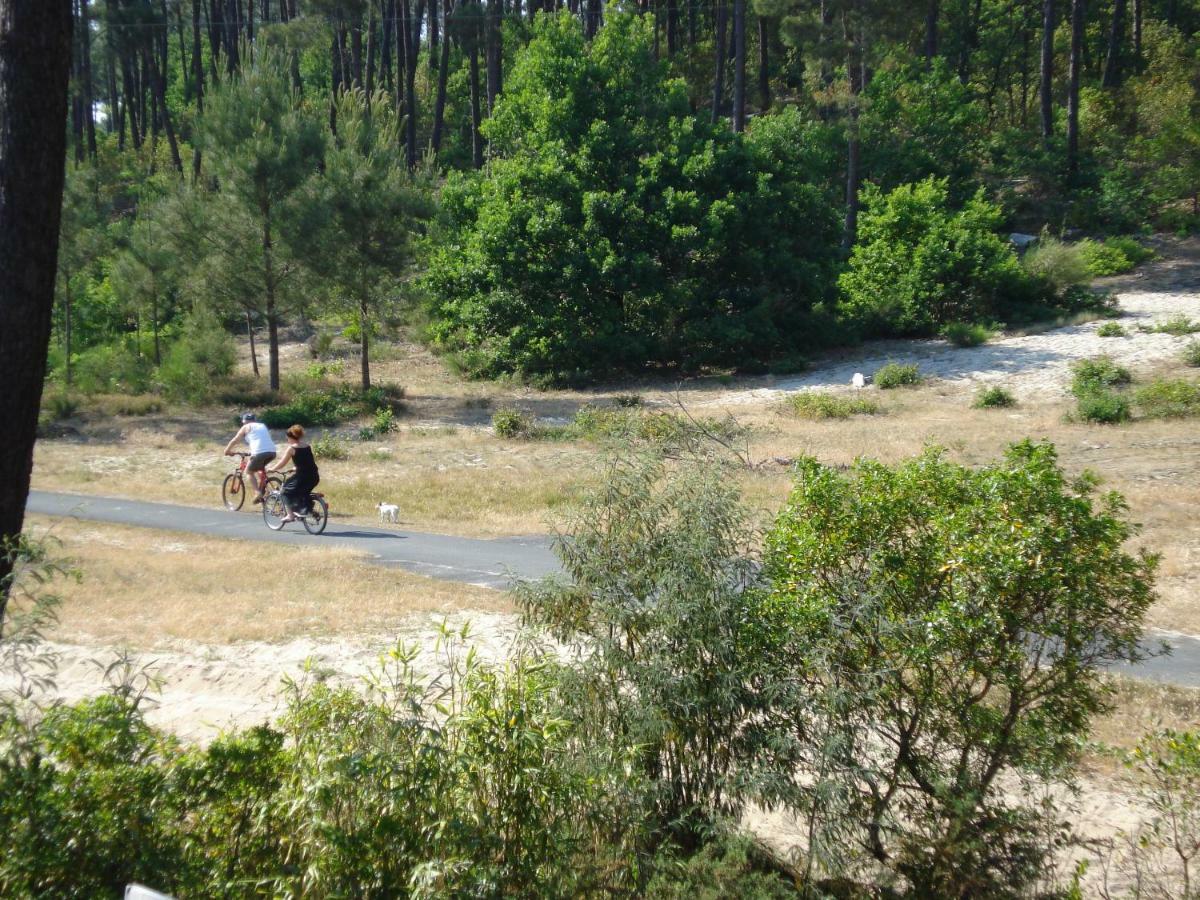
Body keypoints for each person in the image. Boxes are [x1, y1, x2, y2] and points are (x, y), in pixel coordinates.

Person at [268, 424, 320, 523]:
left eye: (287, 438)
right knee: (303, 493)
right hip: (314, 476)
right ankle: (306, 510)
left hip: (302, 477)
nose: (287, 440)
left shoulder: (292, 448)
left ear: (291, 437)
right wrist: (296, 467)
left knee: (284, 491)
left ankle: (290, 515)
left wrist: (272, 469)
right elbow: (307, 461)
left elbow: (282, 463)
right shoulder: (307, 446)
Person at [224, 412, 277, 503]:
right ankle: (267, 491)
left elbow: (235, 440)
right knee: (258, 468)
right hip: (272, 452)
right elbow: (261, 440)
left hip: (259, 453)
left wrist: (227, 450)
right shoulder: (262, 425)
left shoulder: (246, 427)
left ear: (244, 421)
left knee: (248, 471)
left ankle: (257, 493)